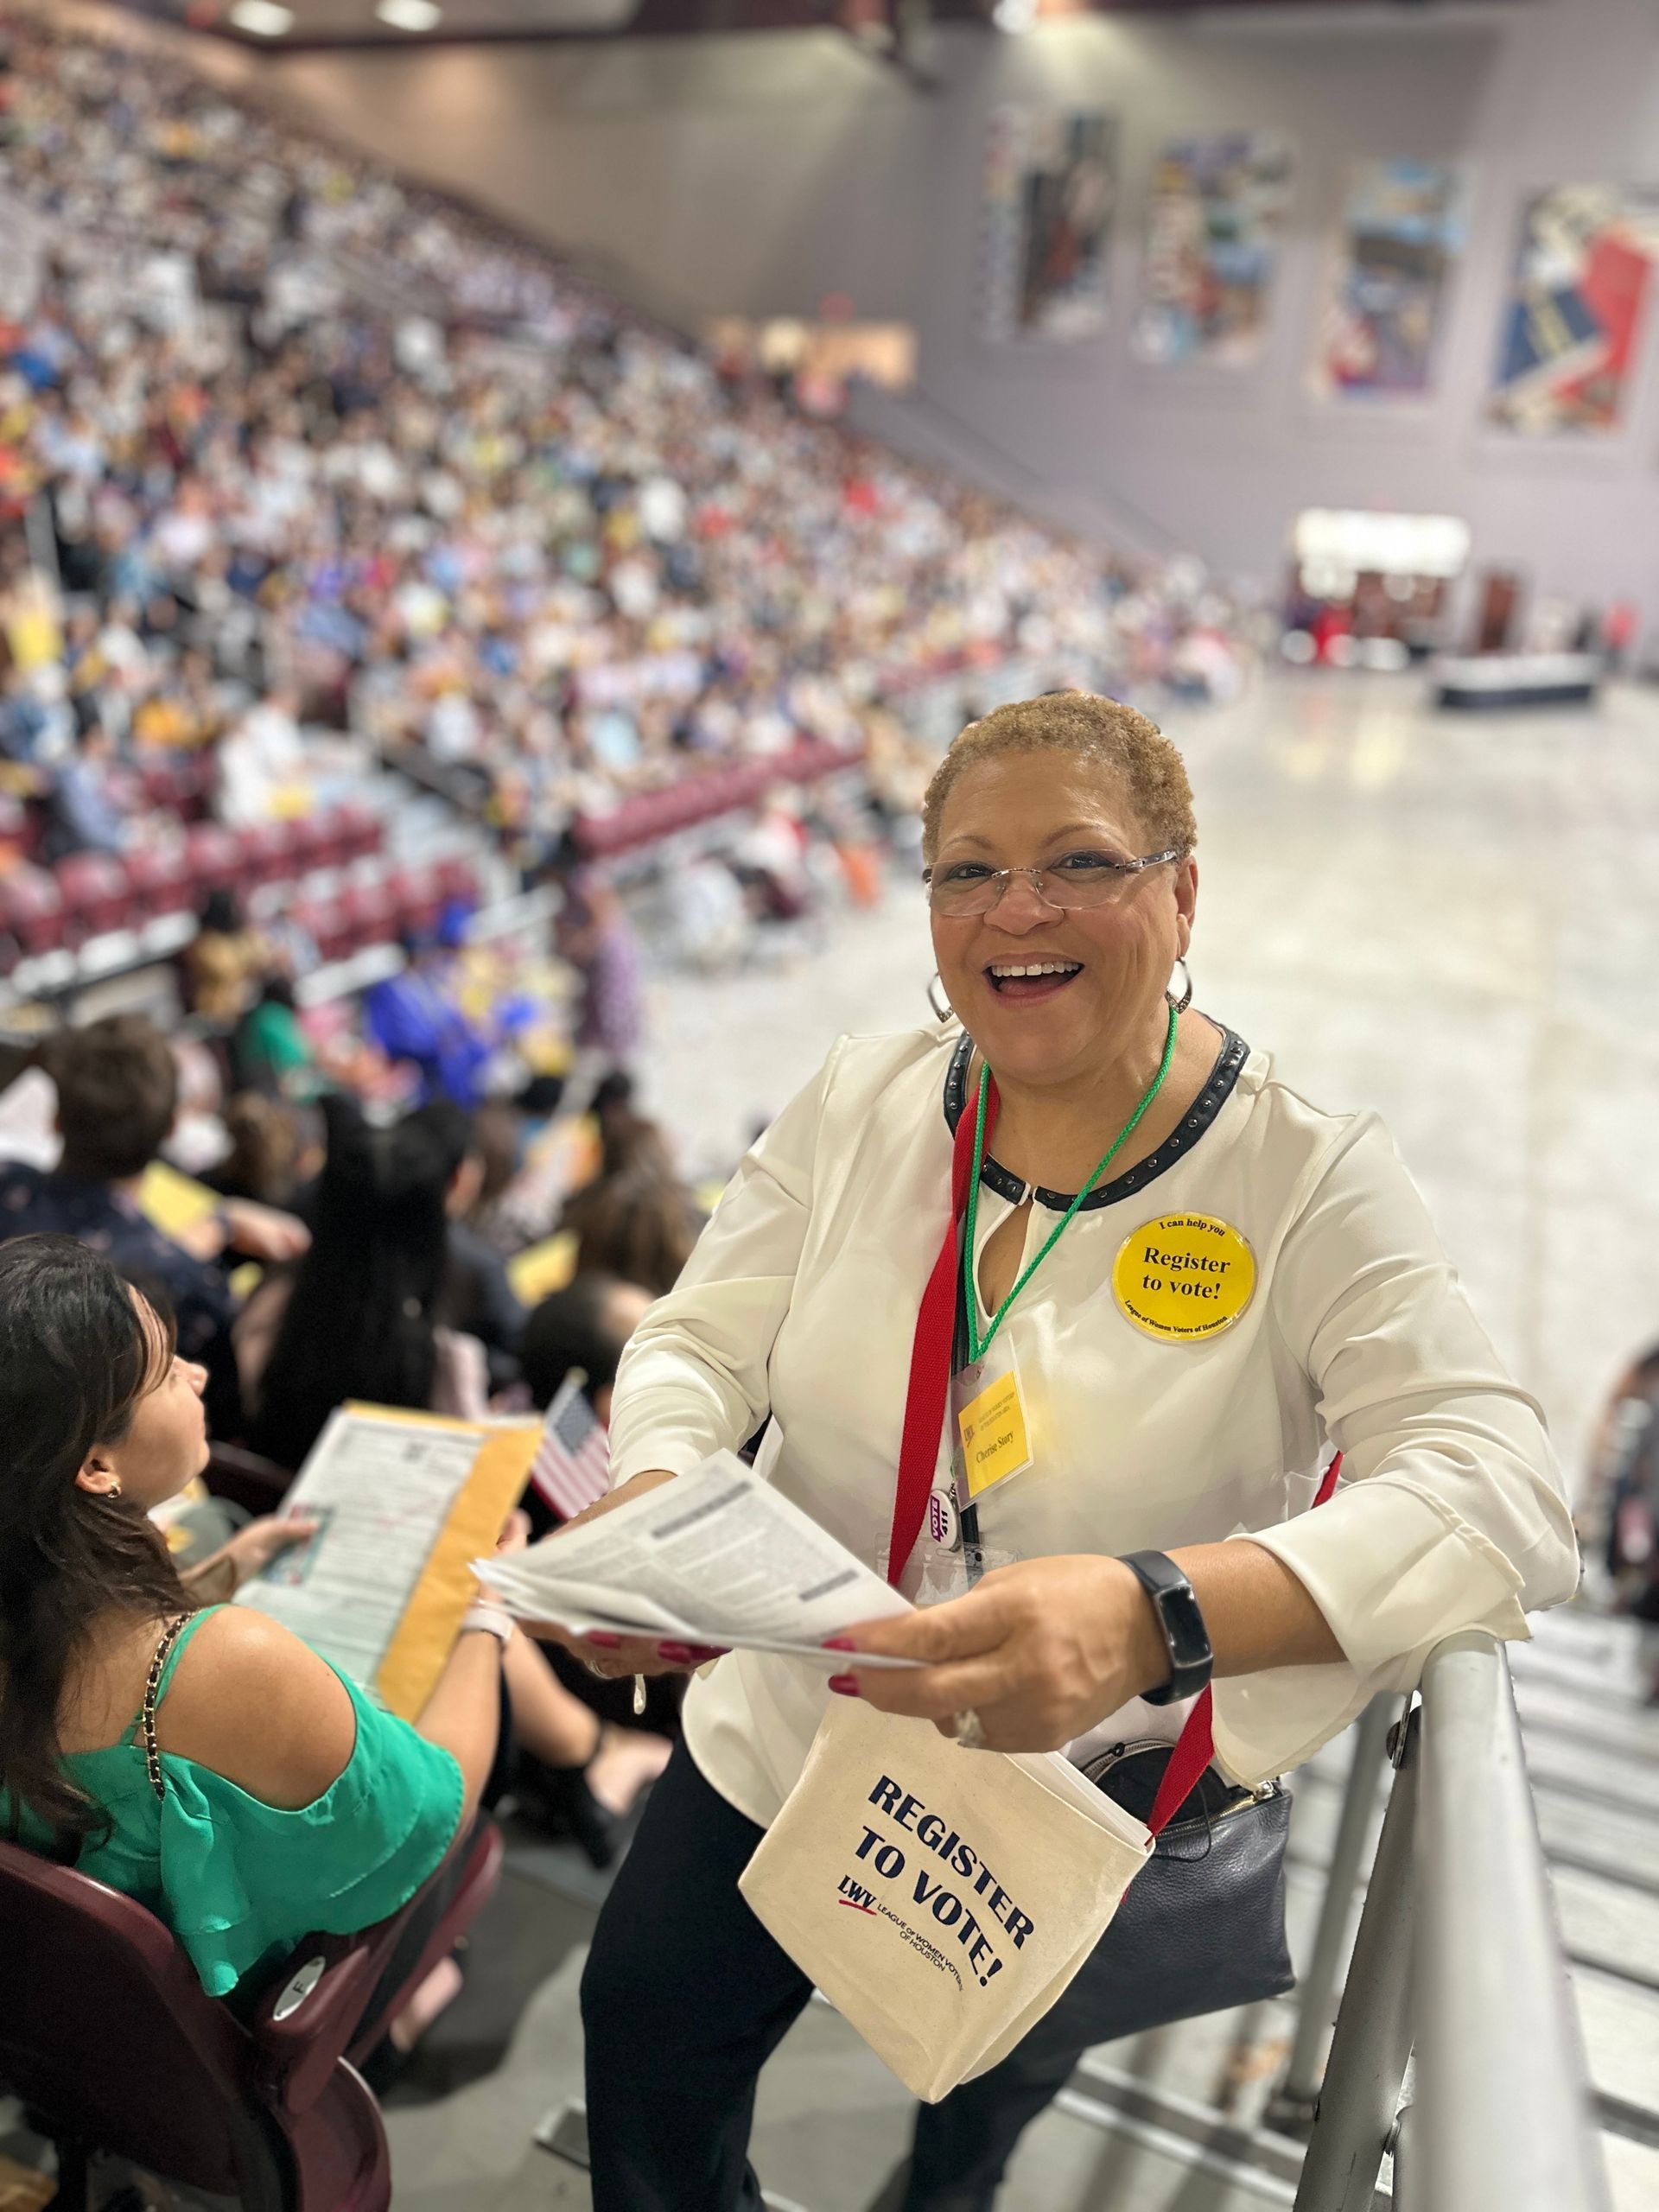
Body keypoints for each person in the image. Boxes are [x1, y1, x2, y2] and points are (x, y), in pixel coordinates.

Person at [543, 693, 1580, 2212]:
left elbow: (1501, 1489)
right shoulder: (862, 1099)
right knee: (645, 2043)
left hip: (1065, 1803)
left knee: (979, 2109)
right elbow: (699, 1343)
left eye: (1079, 862)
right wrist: (657, 1489)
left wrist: (1156, 1611)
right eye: (968, 872)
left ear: (1182, 891)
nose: (1015, 912)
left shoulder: (1307, 1176)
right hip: (790, 1733)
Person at [0, 1233, 508, 2023]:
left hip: (63, 2015)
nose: (198, 1375)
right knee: (478, 1847)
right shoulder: (232, 1664)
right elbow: (438, 1812)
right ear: (96, 1466)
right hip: (229, 2021)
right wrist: (490, 1614)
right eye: (168, 1370)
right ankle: (406, 2007)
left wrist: (223, 1569)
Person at [0, 1015, 308, 1441]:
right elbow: (224, 1423)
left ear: (55, 1119)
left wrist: (215, 1225)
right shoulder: (181, 1287)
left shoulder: (8, 1185)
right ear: (171, 1129)